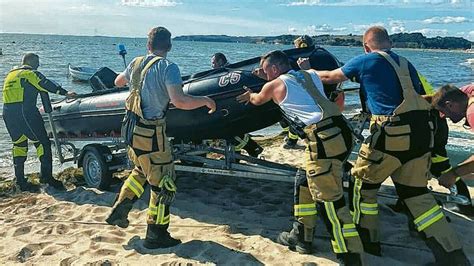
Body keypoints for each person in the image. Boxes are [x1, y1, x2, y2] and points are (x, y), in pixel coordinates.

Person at [312, 26, 469, 265]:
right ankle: (452, 255)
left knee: (362, 184)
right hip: (421, 135)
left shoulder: (365, 60)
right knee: (417, 195)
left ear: (366, 46)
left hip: (391, 134)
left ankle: (368, 240)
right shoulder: (406, 63)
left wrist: (305, 73)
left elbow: (330, 77)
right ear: (391, 44)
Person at [237, 50, 364, 265]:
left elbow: (258, 100)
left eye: (266, 70)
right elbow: (309, 81)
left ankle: (350, 256)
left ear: (275, 69)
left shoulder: (273, 85)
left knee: (329, 201)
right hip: (342, 131)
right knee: (304, 180)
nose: (264, 74)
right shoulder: (308, 74)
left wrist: (249, 95)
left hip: (322, 139)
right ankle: (301, 235)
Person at [105, 27, 216, 249]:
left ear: (148, 45)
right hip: (151, 133)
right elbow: (180, 101)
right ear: (170, 46)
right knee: (164, 182)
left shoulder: (136, 62)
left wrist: (135, 81)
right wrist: (205, 100)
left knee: (140, 171)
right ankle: (156, 234)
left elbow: (118, 82)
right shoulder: (168, 67)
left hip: (130, 129)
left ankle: (120, 209)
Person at [2, 53, 75, 192]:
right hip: (25, 112)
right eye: (37, 62)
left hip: (8, 114)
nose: (39, 65)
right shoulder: (30, 73)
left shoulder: (10, 75)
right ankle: (46, 177)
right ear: (31, 62)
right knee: (43, 143)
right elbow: (45, 83)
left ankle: (20, 181)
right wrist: (65, 93)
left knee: (19, 145)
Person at [210, 53, 263, 158]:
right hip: (234, 105)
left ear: (220, 62)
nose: (212, 66)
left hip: (237, 105)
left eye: (213, 63)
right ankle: (237, 154)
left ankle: (253, 148)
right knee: (232, 131)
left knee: (233, 132)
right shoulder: (228, 71)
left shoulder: (229, 72)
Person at [432, 84, 474, 190]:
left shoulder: (472, 113)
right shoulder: (466, 92)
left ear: (450, 105)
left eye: (442, 111)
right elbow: (444, 95)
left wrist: (454, 174)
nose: (442, 116)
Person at [279, 35, 316, 149]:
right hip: (306, 95)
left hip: (304, 96)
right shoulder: (316, 56)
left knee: (294, 120)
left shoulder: (301, 60)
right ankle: (289, 135)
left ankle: (292, 141)